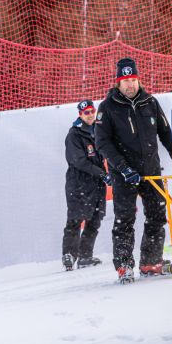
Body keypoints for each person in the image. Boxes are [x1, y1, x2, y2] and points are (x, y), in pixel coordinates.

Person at [95, 58, 172, 284]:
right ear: (118, 83)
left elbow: (166, 133)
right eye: (125, 81)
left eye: (133, 80)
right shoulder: (108, 107)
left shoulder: (150, 102)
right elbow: (102, 142)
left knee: (157, 216)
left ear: (138, 80)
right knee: (124, 219)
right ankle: (124, 265)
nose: (130, 85)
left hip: (151, 171)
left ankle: (150, 262)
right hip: (124, 174)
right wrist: (122, 167)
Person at [61, 100, 109, 271]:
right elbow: (78, 161)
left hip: (97, 183)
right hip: (79, 183)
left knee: (95, 219)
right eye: (86, 112)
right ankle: (69, 255)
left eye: (91, 111)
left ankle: (85, 256)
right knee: (75, 219)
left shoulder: (99, 129)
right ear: (80, 114)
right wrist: (102, 174)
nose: (90, 115)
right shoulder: (74, 135)